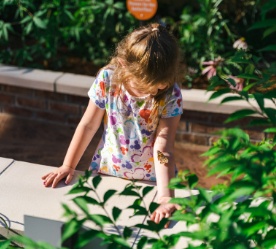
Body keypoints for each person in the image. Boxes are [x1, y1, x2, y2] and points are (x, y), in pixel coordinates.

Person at [42, 23, 183, 228]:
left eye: (161, 84)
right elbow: (88, 124)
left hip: (153, 180)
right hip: (108, 170)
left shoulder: (170, 93)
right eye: (146, 86)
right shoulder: (108, 79)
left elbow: (163, 147)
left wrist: (165, 196)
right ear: (124, 66)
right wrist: (68, 165)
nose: (157, 90)